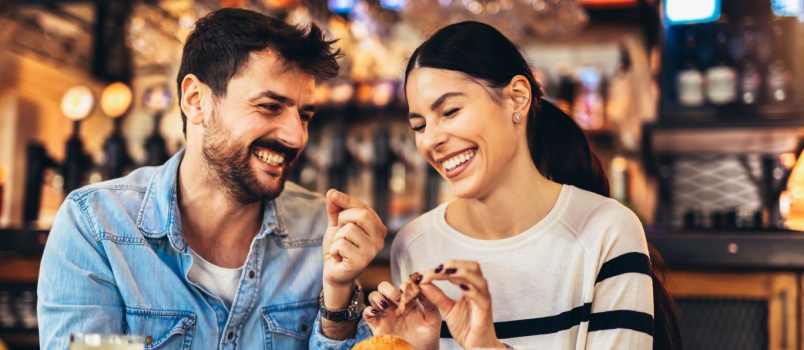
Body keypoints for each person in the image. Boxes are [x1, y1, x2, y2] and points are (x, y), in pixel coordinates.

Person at [37, 8, 383, 349]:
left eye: (304, 115)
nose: (296, 136)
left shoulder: (321, 233)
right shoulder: (97, 227)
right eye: (269, 106)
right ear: (196, 100)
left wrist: (338, 305)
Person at [362, 21, 682, 349]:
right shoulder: (415, 246)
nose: (431, 140)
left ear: (517, 98)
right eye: (419, 125)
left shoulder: (606, 232)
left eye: (450, 111)